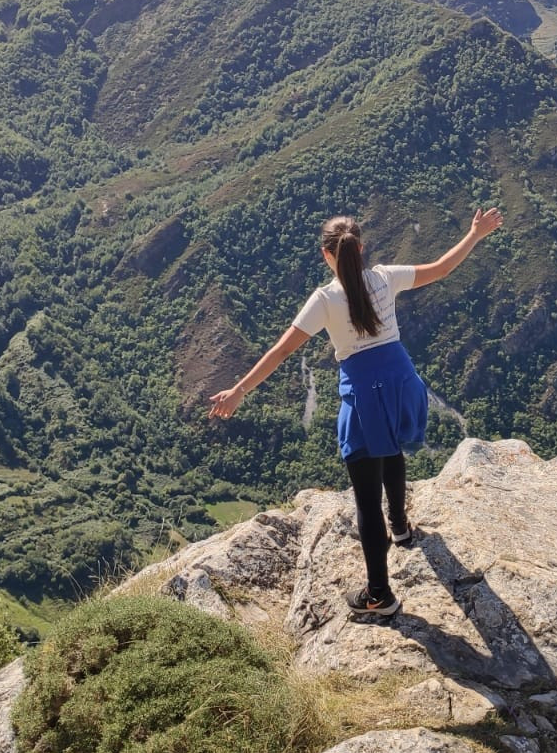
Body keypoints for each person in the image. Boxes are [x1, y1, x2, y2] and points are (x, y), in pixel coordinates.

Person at [209, 207, 504, 616]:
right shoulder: (384, 277)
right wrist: (474, 234)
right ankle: (400, 527)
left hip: (365, 390)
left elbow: (280, 351)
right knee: (393, 449)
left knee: (366, 499)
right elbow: (440, 268)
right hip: (401, 379)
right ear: (361, 249)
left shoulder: (325, 300)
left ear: (326, 255)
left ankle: (380, 595)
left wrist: (239, 390)